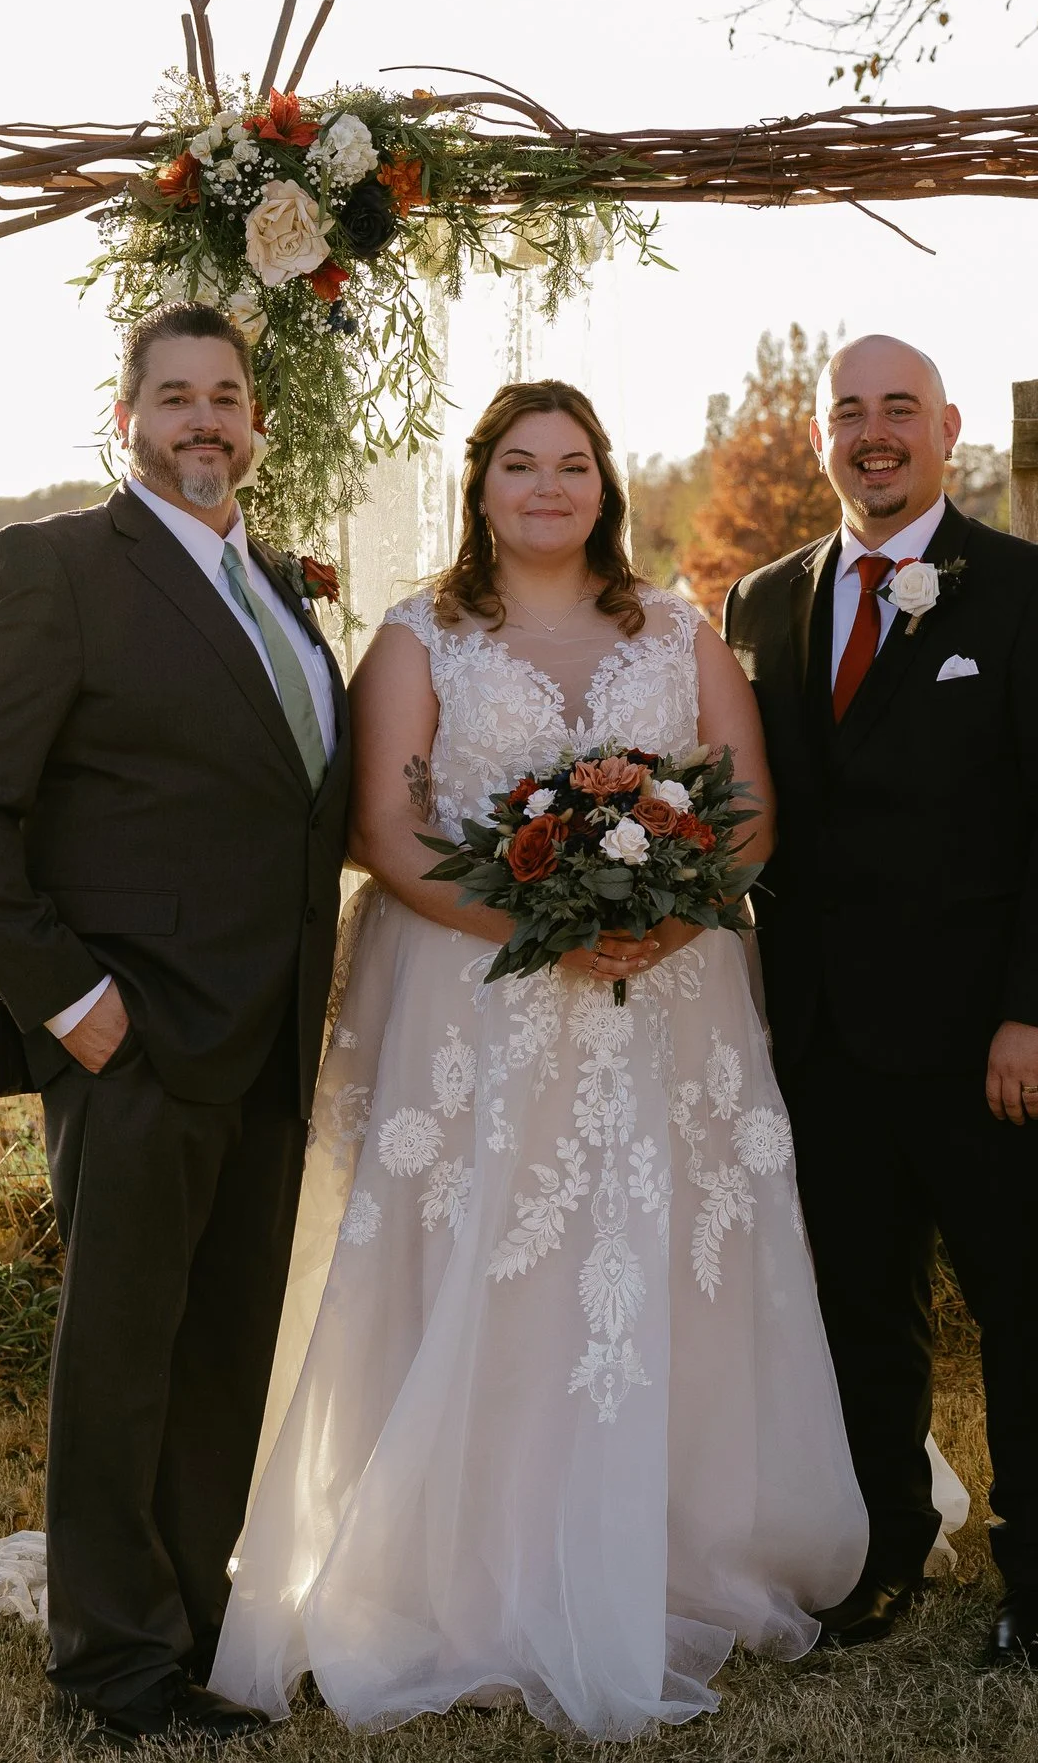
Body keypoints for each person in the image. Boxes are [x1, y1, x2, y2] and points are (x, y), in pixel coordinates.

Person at [208, 381, 866, 1740]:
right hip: (475, 1004)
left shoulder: (680, 630)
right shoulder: (420, 635)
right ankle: (464, 1570)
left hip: (667, 997)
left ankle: (677, 1549)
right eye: (521, 464)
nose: (549, 487)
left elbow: (748, 809)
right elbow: (385, 831)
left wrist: (669, 916)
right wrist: (541, 930)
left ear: (605, 487)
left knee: (661, 1254)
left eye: (573, 464)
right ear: (482, 487)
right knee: (485, 1254)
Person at [0, 302, 352, 1743]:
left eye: (226, 395)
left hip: (271, 1040)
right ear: (127, 418)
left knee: (221, 1356)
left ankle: (199, 1631)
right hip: (136, 1039)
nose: (202, 418)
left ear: (257, 422)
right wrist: (71, 1001)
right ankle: (113, 1661)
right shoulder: (60, 568)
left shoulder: (276, 586)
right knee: (121, 1358)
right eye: (174, 396)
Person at [722, 336, 1038, 1667]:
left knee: (1025, 1309)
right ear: (820, 437)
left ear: (949, 431)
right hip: (821, 1036)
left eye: (901, 409)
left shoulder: (1036, 596)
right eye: (850, 412)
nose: (874, 432)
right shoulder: (761, 602)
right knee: (857, 1309)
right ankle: (883, 1550)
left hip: (991, 1038)